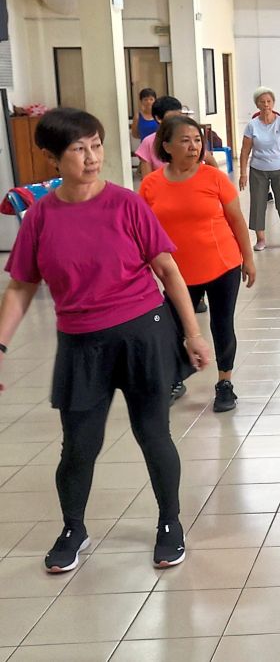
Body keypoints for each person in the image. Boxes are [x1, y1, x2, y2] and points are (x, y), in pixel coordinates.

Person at [0, 109, 211, 573]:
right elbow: (20, 286)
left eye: (96, 145)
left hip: (142, 335)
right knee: (79, 445)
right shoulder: (40, 218)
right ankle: (73, 528)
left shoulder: (126, 204)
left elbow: (168, 270)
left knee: (153, 433)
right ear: (52, 158)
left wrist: (193, 334)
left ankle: (170, 523)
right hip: (81, 345)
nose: (92, 157)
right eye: (79, 149)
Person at [139, 115, 255, 411]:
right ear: (166, 146)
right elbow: (143, 231)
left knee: (222, 324)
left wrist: (248, 259)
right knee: (173, 328)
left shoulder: (213, 178)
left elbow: (236, 220)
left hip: (222, 264)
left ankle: (225, 383)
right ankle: (175, 378)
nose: (193, 146)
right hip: (176, 273)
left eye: (197, 140)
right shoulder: (151, 184)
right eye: (185, 140)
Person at [239, 87, 280, 251]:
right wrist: (243, 173)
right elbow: (245, 151)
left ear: (273, 103)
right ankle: (260, 239)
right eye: (262, 102)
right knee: (258, 204)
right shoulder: (252, 125)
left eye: (269, 101)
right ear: (257, 104)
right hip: (258, 169)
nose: (266, 105)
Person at [136, 96, 219, 178]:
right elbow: (147, 178)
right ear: (158, 118)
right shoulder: (148, 142)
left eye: (180, 115)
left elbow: (210, 161)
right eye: (172, 117)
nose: (177, 120)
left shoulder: (190, 137)